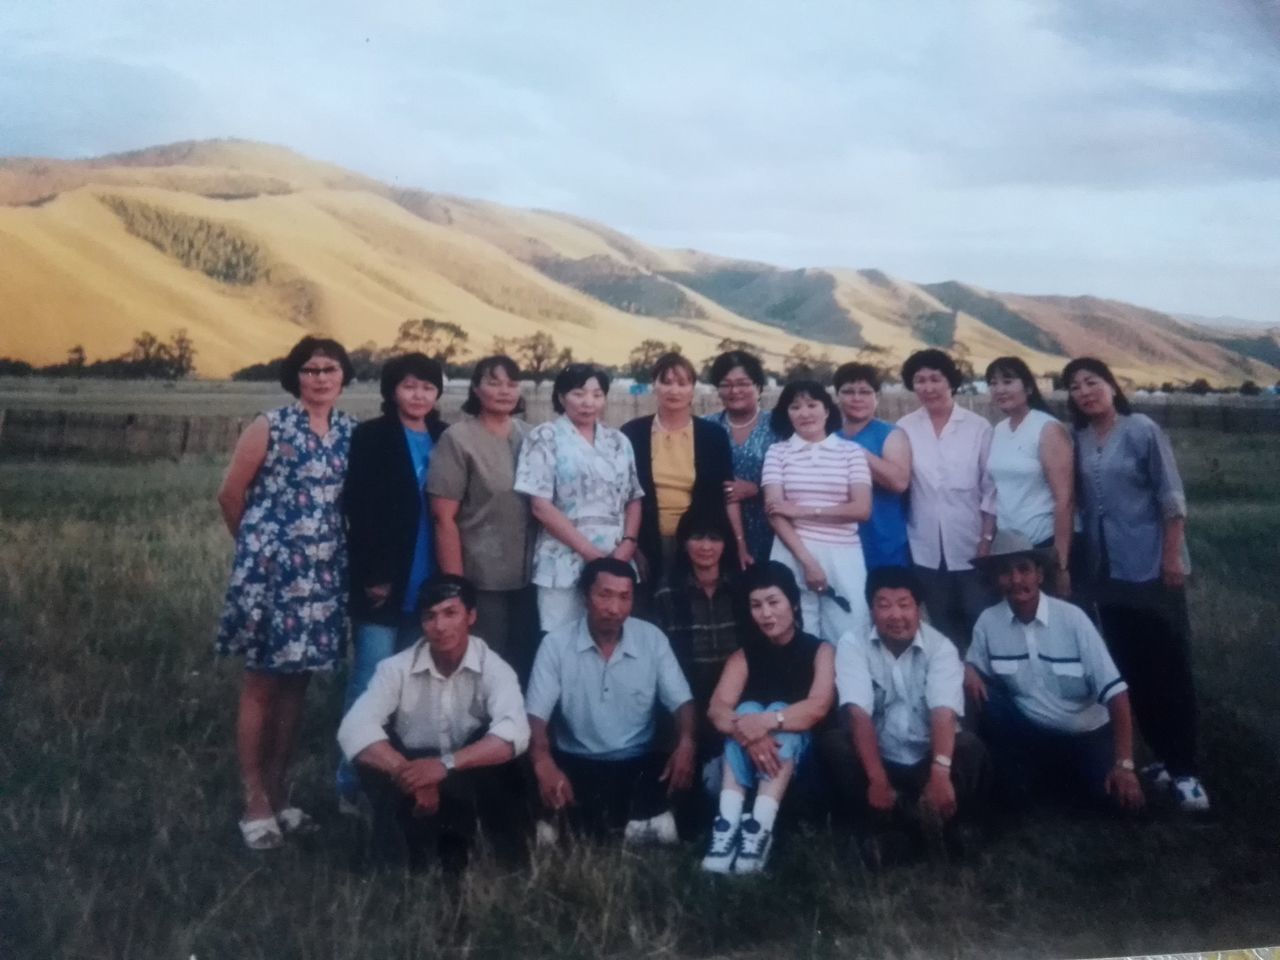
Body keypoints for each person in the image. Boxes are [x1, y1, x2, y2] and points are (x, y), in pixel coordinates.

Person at [215, 335, 358, 850]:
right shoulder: (269, 425)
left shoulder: (349, 432)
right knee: (261, 684)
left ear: (344, 376)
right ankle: (253, 799)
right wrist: (260, 549)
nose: (320, 377)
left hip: (323, 578)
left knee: (298, 684)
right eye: (310, 369)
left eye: (330, 369)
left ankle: (279, 792)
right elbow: (231, 494)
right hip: (270, 577)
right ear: (295, 376)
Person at [1064, 356, 1209, 812]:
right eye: (1075, 387)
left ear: (1112, 384)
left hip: (1150, 565)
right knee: (1130, 666)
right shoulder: (1080, 440)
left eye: (1092, 381)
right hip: (1107, 572)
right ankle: (1162, 757)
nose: (1085, 392)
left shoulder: (1142, 428)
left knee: (1169, 665)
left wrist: (1171, 556)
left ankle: (1186, 769)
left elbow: (1172, 498)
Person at [336, 575, 529, 870]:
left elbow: (514, 731)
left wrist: (443, 766)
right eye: (430, 617)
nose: (440, 627)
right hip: (409, 774)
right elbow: (354, 727)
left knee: (509, 760)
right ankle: (396, 853)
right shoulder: (395, 668)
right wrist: (412, 776)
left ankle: (491, 846)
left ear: (471, 616)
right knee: (371, 750)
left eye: (451, 613)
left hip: (464, 772)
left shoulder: (495, 668)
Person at [964, 530, 1144, 814]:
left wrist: (1124, 766)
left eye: (1024, 569)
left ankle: (1065, 777)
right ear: (996, 579)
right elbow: (971, 664)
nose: (1016, 580)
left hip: (1085, 733)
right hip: (1028, 731)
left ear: (1040, 574)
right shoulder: (989, 622)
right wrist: (969, 670)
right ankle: (990, 775)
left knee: (1113, 802)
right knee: (975, 697)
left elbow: (1117, 695)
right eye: (1005, 572)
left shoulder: (1073, 620)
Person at [820, 566, 989, 866]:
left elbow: (943, 713)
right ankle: (916, 830)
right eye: (883, 605)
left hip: (928, 757)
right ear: (871, 610)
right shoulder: (851, 644)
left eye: (904, 604)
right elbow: (858, 714)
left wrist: (939, 773)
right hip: (880, 759)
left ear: (919, 608)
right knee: (835, 744)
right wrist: (877, 779)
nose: (895, 615)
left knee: (970, 748)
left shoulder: (942, 648)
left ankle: (903, 832)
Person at [338, 352, 448, 812]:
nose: (418, 395)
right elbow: (358, 509)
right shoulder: (372, 436)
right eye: (409, 386)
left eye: (427, 386)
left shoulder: (445, 436)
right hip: (384, 580)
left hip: (429, 577)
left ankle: (394, 777)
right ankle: (350, 783)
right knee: (370, 680)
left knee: (409, 685)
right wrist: (373, 576)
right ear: (391, 391)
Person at [525, 558, 696, 842]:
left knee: (679, 786)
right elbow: (535, 717)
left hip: (637, 762)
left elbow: (683, 704)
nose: (614, 608)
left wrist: (687, 742)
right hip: (576, 761)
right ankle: (612, 825)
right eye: (604, 595)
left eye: (624, 597)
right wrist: (543, 760)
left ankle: (612, 824)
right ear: (584, 597)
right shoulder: (555, 644)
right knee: (537, 778)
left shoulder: (651, 638)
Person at [700, 562, 834, 874]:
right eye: (756, 605)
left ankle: (758, 827)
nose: (766, 614)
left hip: (802, 769)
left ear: (794, 604)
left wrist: (768, 721)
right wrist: (750, 731)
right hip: (748, 761)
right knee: (745, 711)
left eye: (774, 602)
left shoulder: (820, 650)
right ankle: (729, 828)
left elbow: (817, 707)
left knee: (772, 711)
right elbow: (717, 709)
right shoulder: (745, 655)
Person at [428, 354, 537, 682]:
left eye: (512, 383)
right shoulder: (458, 439)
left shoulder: (532, 436)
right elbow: (443, 518)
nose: (504, 391)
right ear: (476, 388)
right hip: (481, 578)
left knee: (526, 665)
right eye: (494, 382)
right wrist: (456, 589)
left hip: (531, 577)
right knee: (483, 667)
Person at [514, 364, 644, 634]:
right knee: (562, 642)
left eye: (597, 395)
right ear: (561, 397)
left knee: (611, 639)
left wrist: (628, 545)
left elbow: (633, 497)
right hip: (563, 561)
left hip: (616, 557)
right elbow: (540, 505)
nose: (588, 402)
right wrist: (590, 553)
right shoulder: (544, 437)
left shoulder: (618, 441)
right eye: (578, 393)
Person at [896, 349, 997, 651]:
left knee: (980, 623)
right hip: (924, 547)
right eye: (920, 380)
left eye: (935, 379)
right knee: (942, 628)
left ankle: (987, 692)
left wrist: (986, 538)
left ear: (950, 381)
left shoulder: (978, 427)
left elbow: (990, 488)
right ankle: (953, 692)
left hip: (971, 544)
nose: (928, 387)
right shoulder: (904, 427)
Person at [622, 352, 748, 587]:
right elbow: (622, 497)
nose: (674, 390)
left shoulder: (713, 436)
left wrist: (739, 545)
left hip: (699, 543)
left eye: (682, 383)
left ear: (693, 389)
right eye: (666, 382)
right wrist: (632, 545)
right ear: (654, 386)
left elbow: (728, 496)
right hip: (646, 541)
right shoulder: (632, 433)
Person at [761, 379, 873, 644]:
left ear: (826, 410)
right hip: (792, 553)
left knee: (851, 635)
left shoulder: (851, 452)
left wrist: (801, 510)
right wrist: (809, 562)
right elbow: (775, 512)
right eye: (795, 407)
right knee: (795, 635)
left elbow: (861, 508)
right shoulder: (777, 453)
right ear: (786, 414)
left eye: (812, 405)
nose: (805, 413)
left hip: (843, 556)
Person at [651, 508, 743, 761]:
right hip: (685, 697)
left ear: (725, 544)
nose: (705, 547)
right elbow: (661, 659)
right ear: (683, 543)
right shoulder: (666, 592)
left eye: (714, 538)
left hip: (735, 697)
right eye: (697, 538)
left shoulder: (741, 589)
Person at [984, 357, 1074, 596]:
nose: (999, 389)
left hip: (1043, 545)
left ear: (1029, 387)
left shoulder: (1047, 428)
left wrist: (1061, 562)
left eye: (1008, 381)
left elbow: (1065, 499)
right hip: (1009, 547)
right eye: (993, 383)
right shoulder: (999, 430)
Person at [832, 362, 911, 571]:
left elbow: (899, 482)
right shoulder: (826, 434)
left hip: (884, 541)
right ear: (836, 396)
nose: (857, 398)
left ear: (877, 396)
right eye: (848, 392)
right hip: (836, 541)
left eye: (865, 392)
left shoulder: (891, 434)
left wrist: (854, 450)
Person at [705, 350, 778, 564]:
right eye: (726, 384)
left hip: (773, 526)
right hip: (719, 529)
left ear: (758, 386)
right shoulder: (706, 427)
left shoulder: (779, 425)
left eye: (743, 383)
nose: (734, 390)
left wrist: (756, 490)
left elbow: (799, 477)